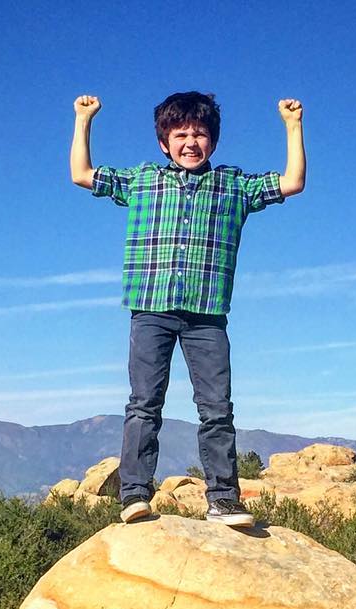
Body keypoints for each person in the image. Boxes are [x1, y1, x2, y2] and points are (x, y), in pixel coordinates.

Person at [71, 90, 306, 527]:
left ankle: (223, 499)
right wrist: (83, 119)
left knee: (216, 409)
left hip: (207, 315)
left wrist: (293, 126)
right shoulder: (143, 180)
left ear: (213, 141)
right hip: (150, 308)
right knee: (144, 404)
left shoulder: (234, 186)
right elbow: (82, 174)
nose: (190, 142)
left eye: (199, 134)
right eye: (180, 134)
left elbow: (292, 182)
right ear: (164, 142)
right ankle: (134, 495)